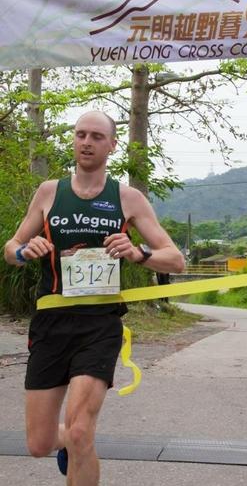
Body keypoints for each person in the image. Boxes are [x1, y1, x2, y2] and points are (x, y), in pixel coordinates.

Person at [3, 111, 185, 485]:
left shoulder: (127, 198)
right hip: (51, 323)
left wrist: (139, 253)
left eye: (97, 136)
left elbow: (176, 259)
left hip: (99, 325)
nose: (87, 142)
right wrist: (25, 250)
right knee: (39, 443)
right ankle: (69, 440)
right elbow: (11, 248)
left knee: (82, 430)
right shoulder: (50, 192)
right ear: (73, 140)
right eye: (81, 134)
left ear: (112, 145)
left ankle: (77, 441)